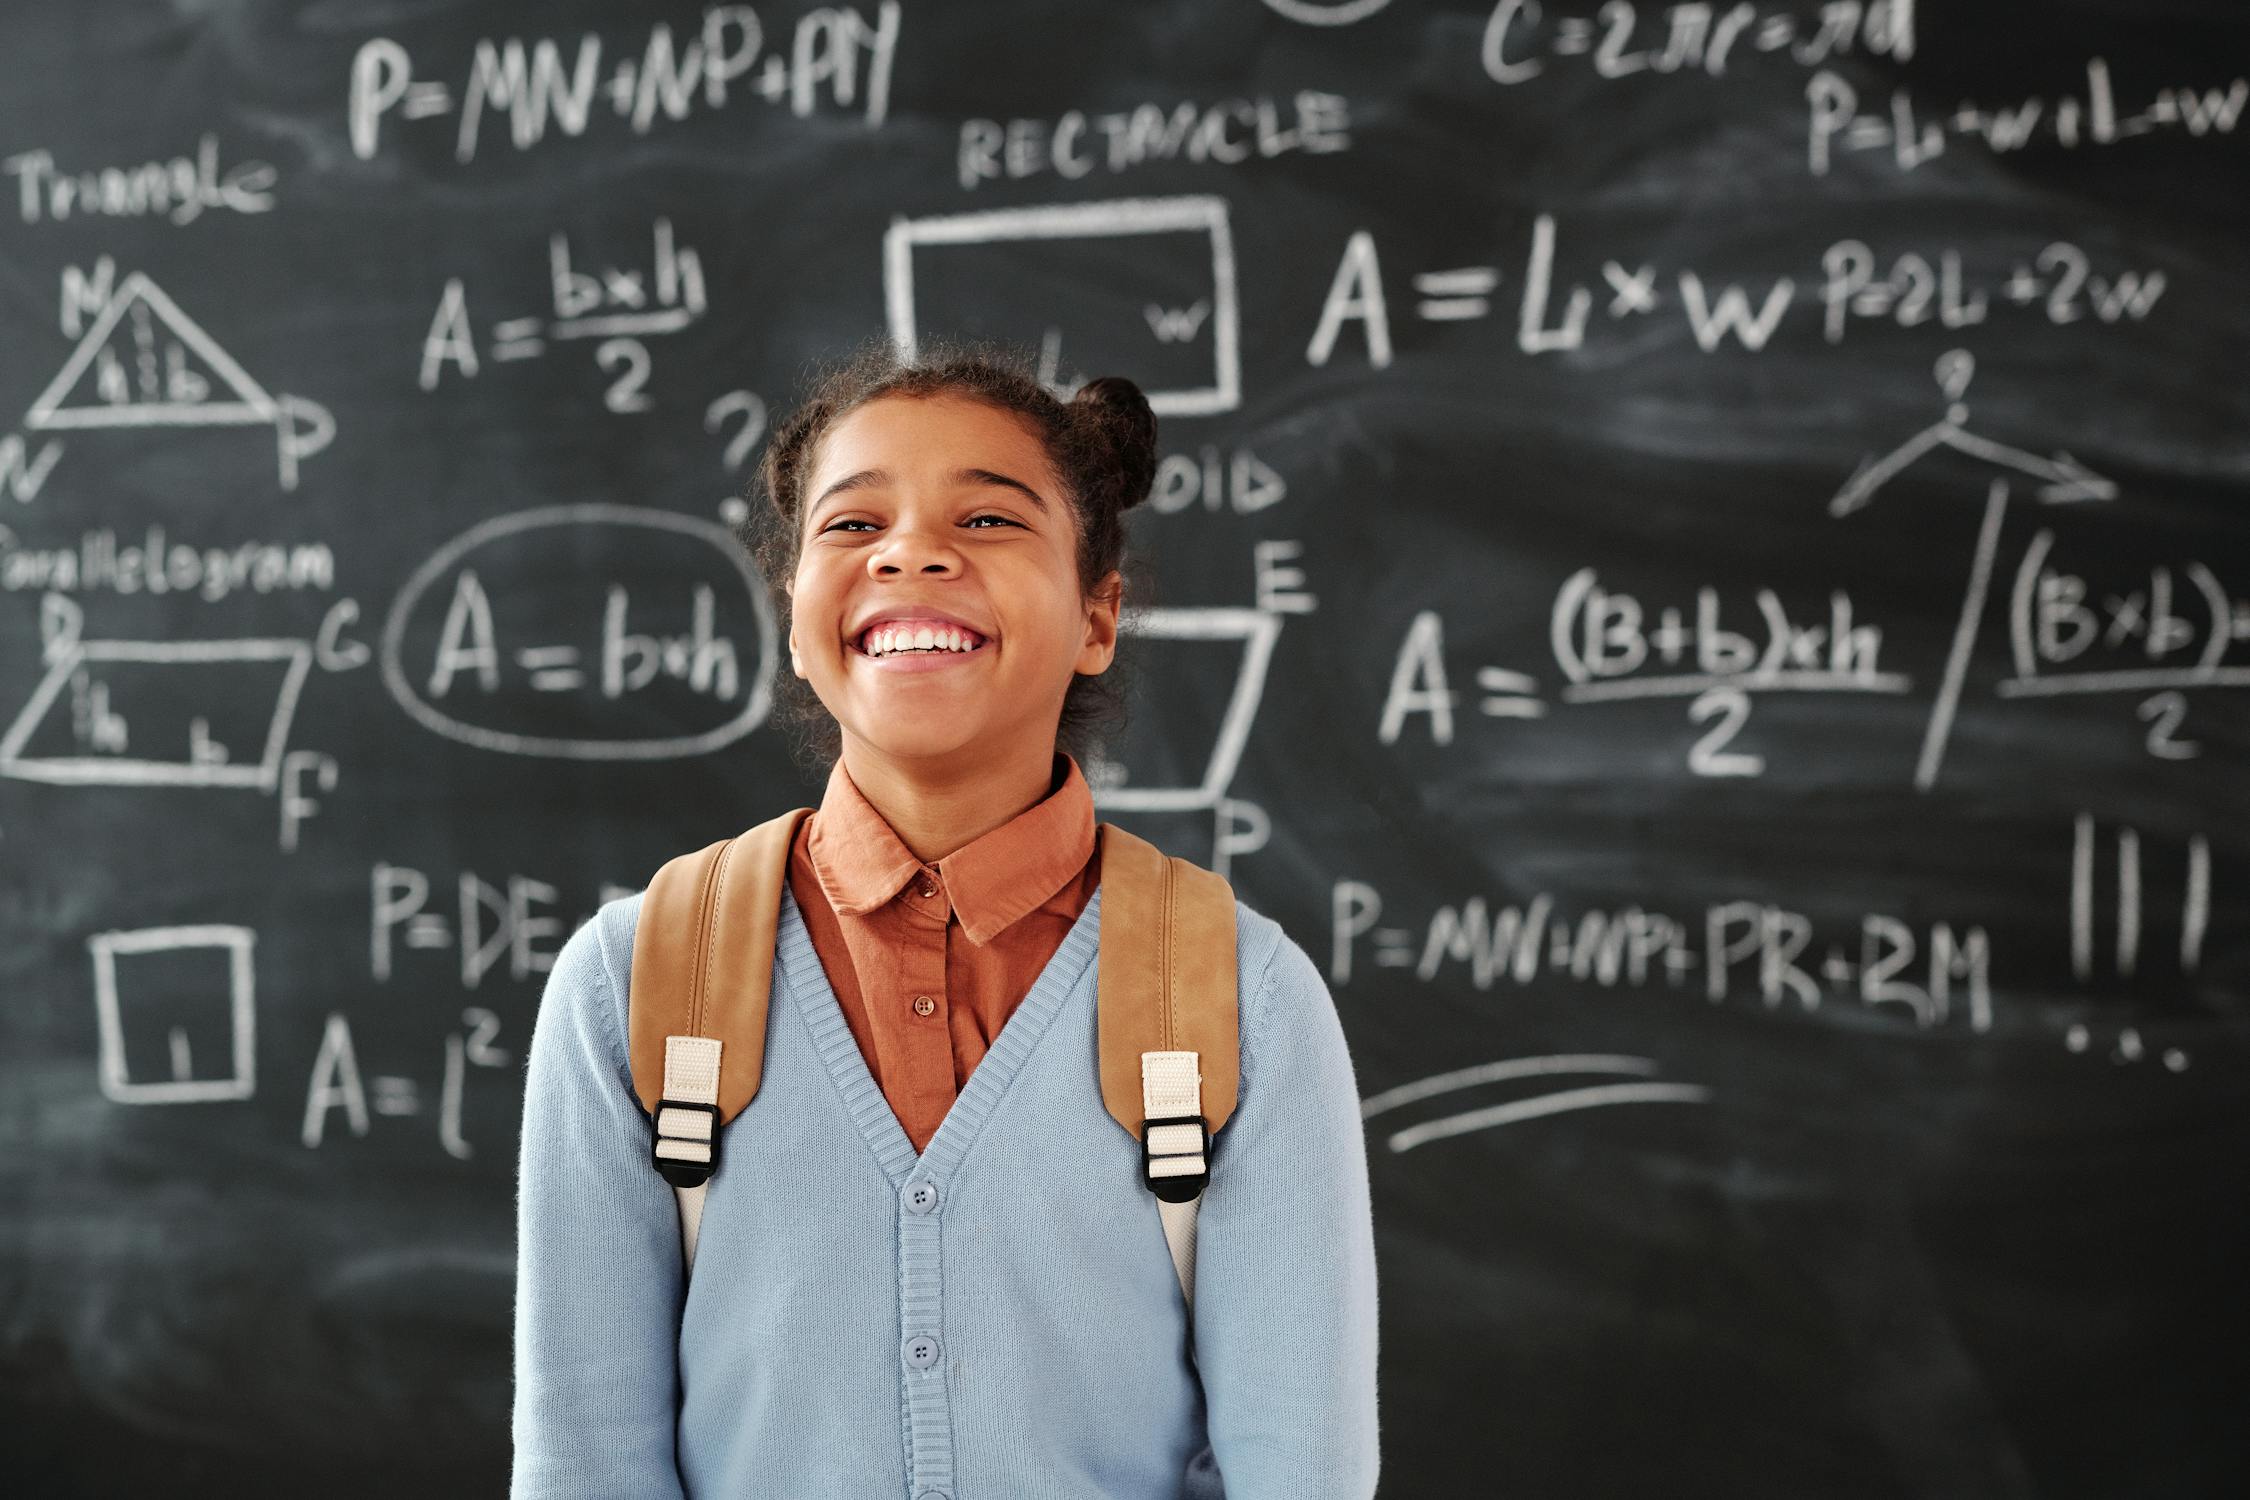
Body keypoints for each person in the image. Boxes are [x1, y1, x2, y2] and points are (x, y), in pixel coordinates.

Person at [510, 336, 1379, 1497]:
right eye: (853, 526)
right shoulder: (634, 981)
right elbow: (587, 1463)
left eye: (988, 521)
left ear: (1096, 617)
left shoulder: (1237, 994)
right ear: (794, 615)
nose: (910, 552)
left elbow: (1299, 1470)